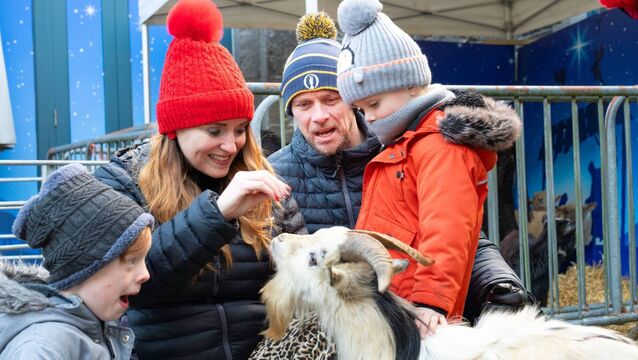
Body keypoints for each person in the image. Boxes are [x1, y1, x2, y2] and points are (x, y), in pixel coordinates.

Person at [268, 11, 530, 325]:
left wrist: (497, 282)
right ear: (291, 111)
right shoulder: (275, 176)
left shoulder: (397, 147)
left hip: (412, 321)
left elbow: (450, 226)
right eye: (303, 104)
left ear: (351, 99)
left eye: (331, 99)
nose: (319, 115)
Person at [93, 0, 305, 359]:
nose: (231, 145)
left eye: (240, 130)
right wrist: (217, 215)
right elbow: (128, 289)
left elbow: (299, 284)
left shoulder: (263, 179)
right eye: (214, 130)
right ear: (175, 127)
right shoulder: (124, 183)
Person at [335, 0, 523, 336]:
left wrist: (431, 301)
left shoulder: (439, 146)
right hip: (392, 307)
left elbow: (447, 227)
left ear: (410, 83)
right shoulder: (403, 144)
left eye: (374, 103)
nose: (371, 117)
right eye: (361, 110)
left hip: (420, 315)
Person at [0, 163, 154, 359]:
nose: (145, 274)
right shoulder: (41, 348)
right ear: (86, 266)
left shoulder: (96, 326)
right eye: (131, 261)